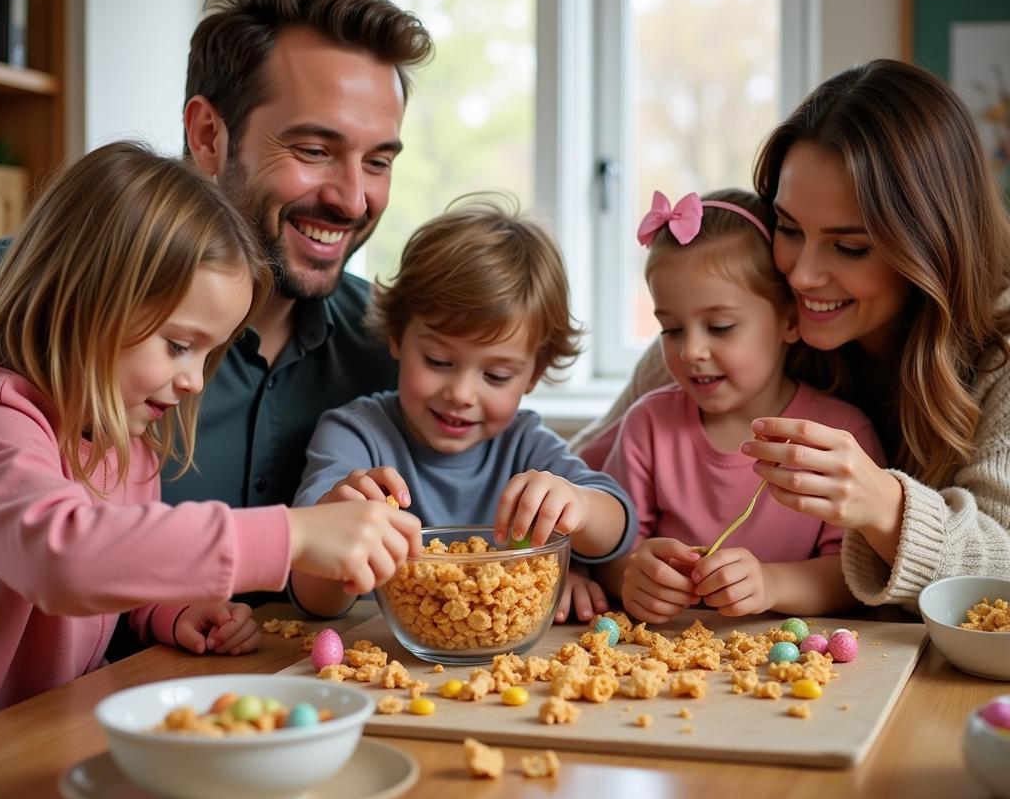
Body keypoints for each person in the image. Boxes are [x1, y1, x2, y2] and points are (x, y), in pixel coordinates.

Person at [0, 0, 435, 611]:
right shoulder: (24, 316)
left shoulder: (399, 348)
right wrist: (293, 534)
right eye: (313, 149)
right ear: (207, 135)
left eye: (378, 162)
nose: (353, 198)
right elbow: (62, 551)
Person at [0, 142, 420, 713]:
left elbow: (118, 565)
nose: (194, 380)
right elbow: (63, 557)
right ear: (85, 301)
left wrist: (169, 609)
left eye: (207, 354)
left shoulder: (130, 446)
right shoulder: (1, 421)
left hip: (57, 729)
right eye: (178, 345)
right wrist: (293, 535)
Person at [577, 59, 1010, 610]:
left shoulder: (1000, 352)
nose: (800, 275)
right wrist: (582, 563)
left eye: (849, 246)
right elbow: (578, 479)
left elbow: (1002, 569)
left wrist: (885, 508)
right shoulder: (720, 332)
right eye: (788, 228)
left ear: (931, 246)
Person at [291, 195, 638, 622]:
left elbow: (618, 526)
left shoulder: (525, 445)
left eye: (496, 376)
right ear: (397, 337)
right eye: (438, 362)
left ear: (533, 374)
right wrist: (331, 528)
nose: (461, 394)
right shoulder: (354, 435)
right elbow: (311, 598)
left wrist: (580, 507)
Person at [593, 189, 883, 623]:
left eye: (720, 327)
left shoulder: (839, 436)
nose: (691, 350)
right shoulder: (647, 425)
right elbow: (610, 552)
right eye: (670, 329)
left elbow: (856, 576)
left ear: (788, 320)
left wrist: (771, 584)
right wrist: (632, 575)